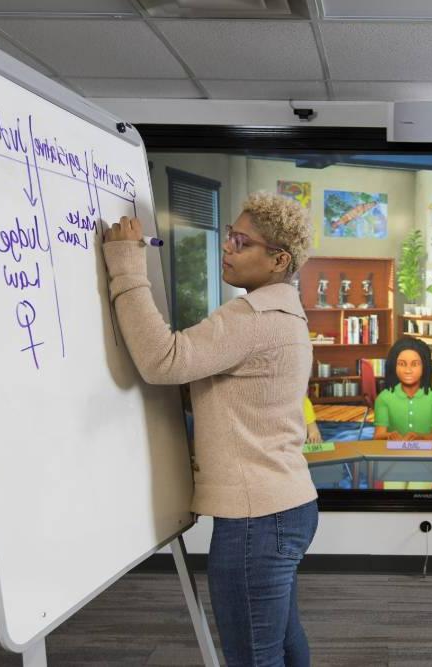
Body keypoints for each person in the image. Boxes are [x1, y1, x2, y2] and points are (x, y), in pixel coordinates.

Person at [103, 191, 317, 667]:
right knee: (281, 642)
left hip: (256, 518)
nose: (227, 247)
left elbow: (164, 360)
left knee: (253, 658)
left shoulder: (251, 318)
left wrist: (125, 266)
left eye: (242, 242)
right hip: (287, 504)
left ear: (278, 259)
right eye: (230, 236)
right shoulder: (287, 314)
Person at [372, 337, 432, 441]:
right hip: (393, 454)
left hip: (427, 455)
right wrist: (389, 436)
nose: (408, 370)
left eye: (415, 364)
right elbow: (377, 436)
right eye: (402, 364)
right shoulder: (384, 398)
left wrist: (421, 437)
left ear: (424, 366)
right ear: (394, 366)